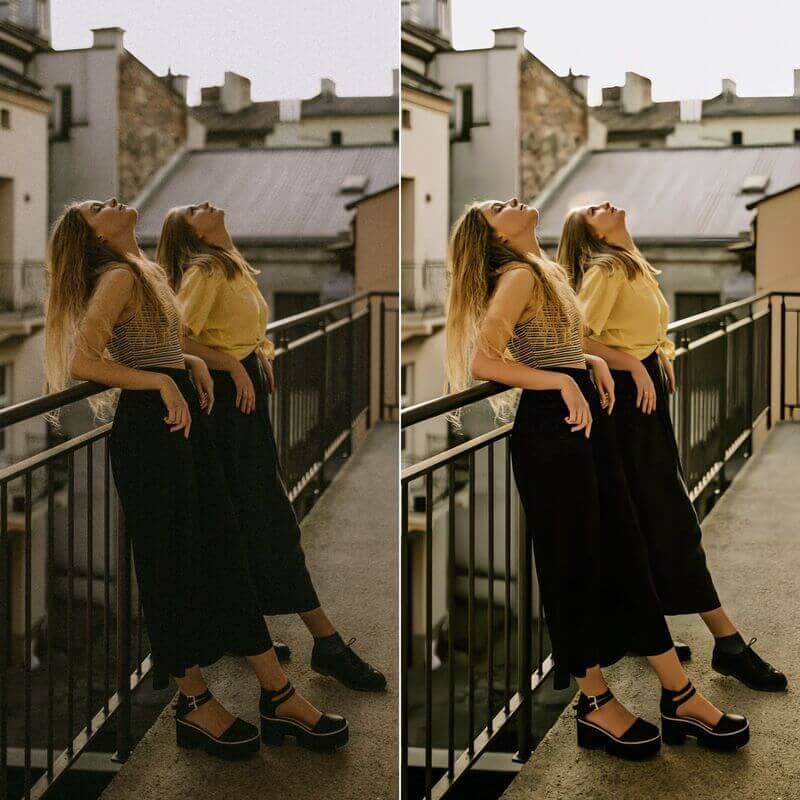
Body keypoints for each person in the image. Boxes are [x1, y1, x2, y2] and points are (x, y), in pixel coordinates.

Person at [43, 198, 349, 759]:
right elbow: (82, 363)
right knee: (171, 563)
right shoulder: (114, 277)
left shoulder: (147, 272)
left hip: (183, 422)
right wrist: (160, 383)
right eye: (95, 208)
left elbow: (161, 344)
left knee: (222, 551)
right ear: (92, 236)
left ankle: (274, 693)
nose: (110, 201)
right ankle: (197, 702)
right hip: (150, 433)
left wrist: (190, 364)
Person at [444, 196, 749, 757]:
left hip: (582, 424)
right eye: (496, 207)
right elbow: (484, 363)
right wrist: (561, 383)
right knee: (574, 561)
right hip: (552, 433)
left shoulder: (545, 271)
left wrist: (591, 363)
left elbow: (557, 345)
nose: (512, 200)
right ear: (496, 238)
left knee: (623, 551)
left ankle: (676, 695)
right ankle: (597, 702)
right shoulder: (514, 276)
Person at [155, 201, 386, 693]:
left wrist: (259, 356)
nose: (209, 204)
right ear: (190, 234)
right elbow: (175, 339)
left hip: (243, 400)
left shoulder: (231, 263)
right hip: (222, 408)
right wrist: (235, 365)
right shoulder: (205, 269)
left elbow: (246, 328)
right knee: (270, 519)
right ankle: (327, 644)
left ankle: (243, 630)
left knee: (246, 517)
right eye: (194, 209)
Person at [557, 201, 786, 693]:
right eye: (594, 209)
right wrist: (634, 364)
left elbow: (646, 327)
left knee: (646, 516)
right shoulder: (607, 267)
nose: (607, 204)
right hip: (621, 404)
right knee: (670, 518)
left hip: (643, 399)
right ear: (590, 234)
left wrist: (659, 355)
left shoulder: (632, 262)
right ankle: (728, 644)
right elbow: (575, 337)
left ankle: (644, 629)